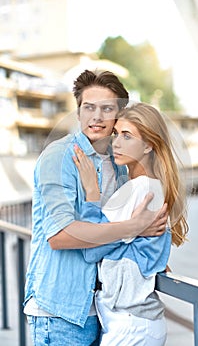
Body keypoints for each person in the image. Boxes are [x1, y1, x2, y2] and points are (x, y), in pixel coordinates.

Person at [23, 70, 168, 346]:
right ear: (78, 113)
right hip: (60, 312)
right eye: (88, 108)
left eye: (107, 109)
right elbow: (59, 236)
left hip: (102, 312)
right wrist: (134, 228)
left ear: (118, 114)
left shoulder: (120, 164)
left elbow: (113, 233)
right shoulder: (60, 157)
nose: (97, 117)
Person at [72, 102, 189, 346]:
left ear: (149, 145)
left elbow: (91, 248)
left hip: (131, 325)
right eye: (116, 134)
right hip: (135, 323)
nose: (116, 142)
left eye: (127, 136)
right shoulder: (151, 186)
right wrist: (131, 234)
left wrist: (92, 191)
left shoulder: (140, 189)